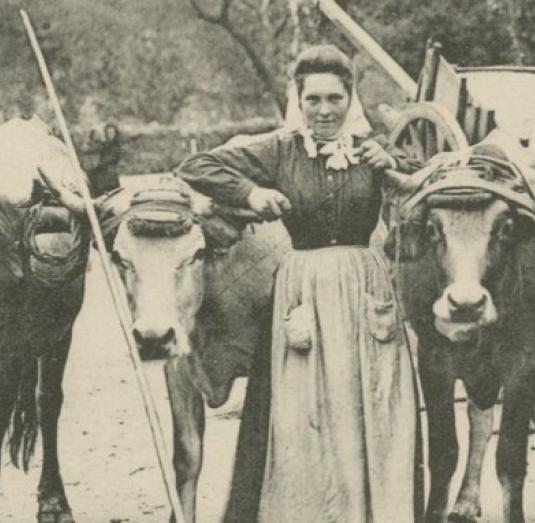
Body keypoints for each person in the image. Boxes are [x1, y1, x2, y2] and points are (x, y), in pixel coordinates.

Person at [177, 44, 422, 522]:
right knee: (298, 413)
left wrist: (391, 163)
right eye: (313, 100)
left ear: (350, 99)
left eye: (334, 99)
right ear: (299, 100)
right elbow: (196, 167)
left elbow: (425, 174)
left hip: (363, 288)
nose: (324, 111)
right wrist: (251, 192)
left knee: (371, 405)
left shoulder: (372, 148)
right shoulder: (280, 149)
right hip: (303, 289)